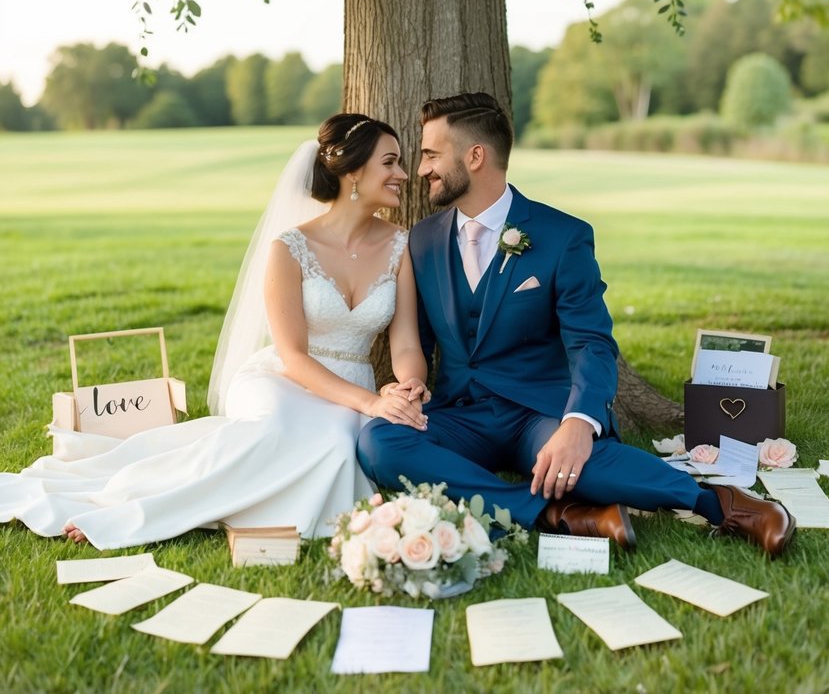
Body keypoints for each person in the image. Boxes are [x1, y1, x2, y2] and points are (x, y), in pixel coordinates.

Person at [357, 92, 796, 557]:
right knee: (381, 441)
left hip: (537, 413)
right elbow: (417, 340)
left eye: (430, 154)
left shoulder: (563, 236)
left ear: (476, 156)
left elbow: (592, 343)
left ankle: (722, 504)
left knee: (585, 464)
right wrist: (407, 388)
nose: (422, 169)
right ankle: (559, 513)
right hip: (462, 415)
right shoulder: (423, 240)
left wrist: (578, 424)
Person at [0, 114, 428, 549]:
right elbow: (293, 355)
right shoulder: (290, 247)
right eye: (390, 163)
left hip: (350, 386)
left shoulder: (399, 245)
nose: (403, 175)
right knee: (273, 430)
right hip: (283, 378)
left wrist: (409, 386)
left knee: (337, 447)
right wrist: (372, 402)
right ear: (353, 171)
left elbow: (407, 342)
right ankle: (133, 504)